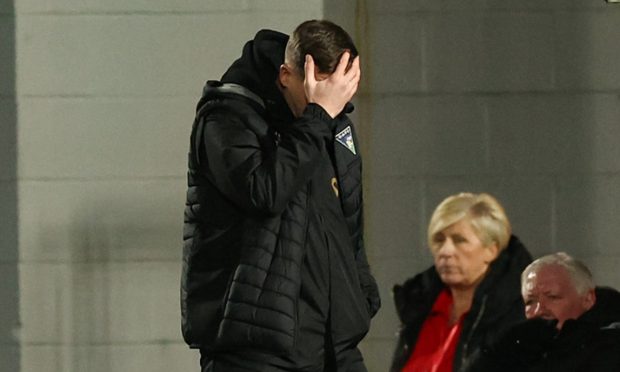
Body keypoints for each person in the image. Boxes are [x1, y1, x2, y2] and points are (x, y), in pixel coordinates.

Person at [180, 20, 381, 372]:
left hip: (335, 347)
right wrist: (317, 118)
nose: (332, 105)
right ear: (285, 75)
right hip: (256, 350)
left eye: (342, 91)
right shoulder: (228, 117)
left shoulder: (333, 124)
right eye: (318, 93)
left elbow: (348, 223)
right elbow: (265, 192)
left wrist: (360, 297)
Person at [390, 192, 533, 372]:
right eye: (439, 240)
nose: (445, 251)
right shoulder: (420, 307)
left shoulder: (519, 315)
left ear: (492, 250)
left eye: (460, 240)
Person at [465, 252, 620, 372]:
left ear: (588, 299)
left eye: (553, 297)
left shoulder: (610, 348)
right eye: (530, 302)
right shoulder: (522, 347)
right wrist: (497, 353)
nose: (538, 310)